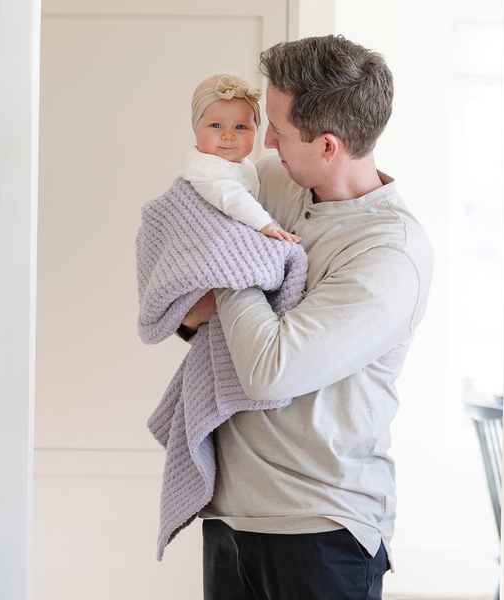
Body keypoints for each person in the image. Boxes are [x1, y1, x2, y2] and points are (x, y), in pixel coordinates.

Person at [181, 35, 434, 600]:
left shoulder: (389, 255)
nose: (261, 142)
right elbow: (186, 291)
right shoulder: (273, 183)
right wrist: (213, 294)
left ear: (327, 145)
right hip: (231, 513)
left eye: (277, 129)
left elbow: (268, 370)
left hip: (321, 529)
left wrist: (231, 266)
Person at [178, 73, 300, 242]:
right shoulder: (206, 167)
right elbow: (233, 197)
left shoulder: (243, 165)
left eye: (240, 127)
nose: (228, 136)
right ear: (196, 127)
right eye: (216, 125)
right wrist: (266, 224)